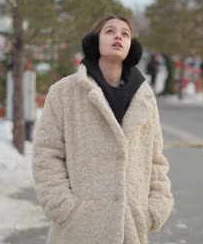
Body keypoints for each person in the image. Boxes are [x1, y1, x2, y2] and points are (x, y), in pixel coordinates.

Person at [32, 15, 174, 244]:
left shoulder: (144, 98)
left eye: (125, 33)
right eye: (110, 31)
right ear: (94, 41)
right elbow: (47, 155)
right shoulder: (64, 92)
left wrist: (154, 209)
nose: (118, 36)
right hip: (78, 230)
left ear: (131, 47)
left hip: (130, 229)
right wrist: (65, 208)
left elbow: (155, 160)